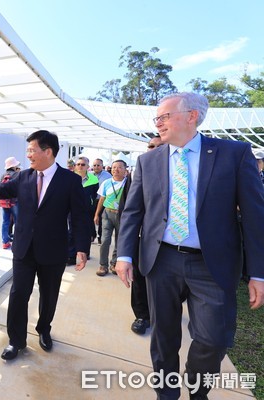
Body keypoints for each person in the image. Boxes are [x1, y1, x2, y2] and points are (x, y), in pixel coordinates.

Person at [116, 92, 264, 400]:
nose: (158, 123)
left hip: (212, 264)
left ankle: (197, 389)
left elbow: (254, 215)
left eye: (164, 117)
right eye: (156, 118)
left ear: (192, 116)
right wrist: (125, 254)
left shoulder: (233, 154)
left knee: (214, 339)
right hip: (161, 260)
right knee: (163, 336)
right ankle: (166, 394)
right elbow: (133, 211)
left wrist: (258, 273)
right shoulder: (148, 160)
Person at [0, 130, 91, 360]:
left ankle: (44, 330)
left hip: (54, 251)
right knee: (19, 294)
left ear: (48, 151)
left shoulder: (70, 180)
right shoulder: (23, 176)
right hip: (23, 248)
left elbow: (80, 216)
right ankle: (15, 340)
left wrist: (81, 248)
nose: (28, 155)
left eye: (32, 150)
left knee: (49, 296)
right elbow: (0, 191)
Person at [118, 136, 163, 335]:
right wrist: (124, 246)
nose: (154, 149)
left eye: (160, 146)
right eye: (151, 146)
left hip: (171, 242)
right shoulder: (139, 173)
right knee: (140, 278)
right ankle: (142, 315)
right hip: (141, 240)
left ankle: (164, 311)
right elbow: (126, 209)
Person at [93, 160, 127, 276]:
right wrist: (97, 214)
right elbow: (101, 199)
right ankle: (103, 265)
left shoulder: (129, 184)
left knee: (119, 241)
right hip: (107, 214)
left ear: (125, 170)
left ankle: (114, 263)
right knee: (105, 240)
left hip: (122, 215)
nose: (116, 170)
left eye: (119, 167)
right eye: (113, 167)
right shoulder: (106, 183)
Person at [0, 157, 21, 250]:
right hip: (15, 202)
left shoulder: (3, 175)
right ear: (14, 166)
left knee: (5, 222)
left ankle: (5, 242)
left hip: (4, 203)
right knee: (17, 222)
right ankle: (17, 243)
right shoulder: (17, 175)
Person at [91, 158, 111, 244]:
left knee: (101, 219)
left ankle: (100, 236)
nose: (96, 167)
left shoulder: (108, 176)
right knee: (91, 218)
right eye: (94, 165)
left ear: (102, 166)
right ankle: (92, 235)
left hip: (102, 200)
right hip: (91, 201)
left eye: (98, 165)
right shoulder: (89, 175)